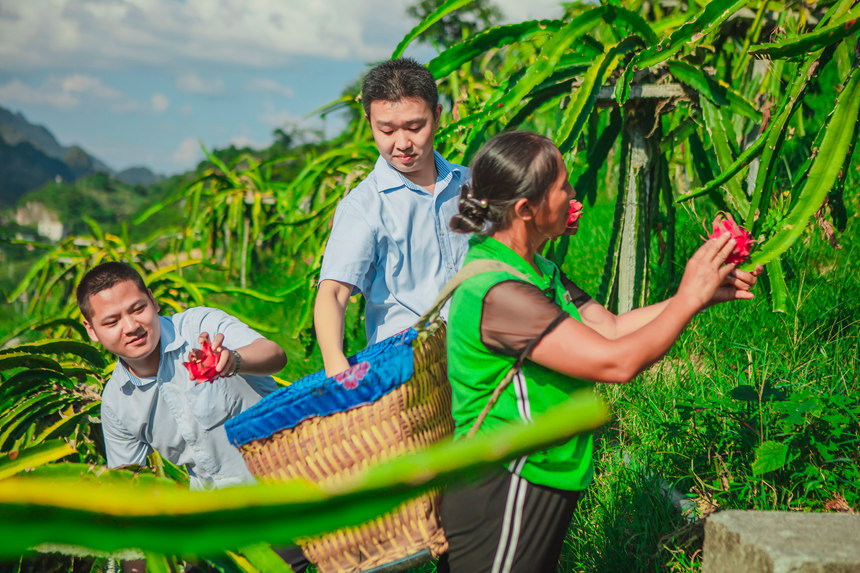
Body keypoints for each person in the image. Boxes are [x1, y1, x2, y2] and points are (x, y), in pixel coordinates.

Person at [437, 131, 763, 573]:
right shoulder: (499, 292)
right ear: (525, 209)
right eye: (562, 186)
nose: (573, 194)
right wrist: (687, 298)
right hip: (504, 485)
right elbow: (616, 362)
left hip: (537, 476)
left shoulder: (534, 270)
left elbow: (611, 328)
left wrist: (701, 295)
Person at [77, 262, 307, 572]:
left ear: (153, 301)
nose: (131, 326)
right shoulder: (117, 403)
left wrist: (235, 360)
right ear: (91, 330)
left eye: (138, 309)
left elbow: (274, 355)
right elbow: (132, 498)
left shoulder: (199, 327)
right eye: (112, 321)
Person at [314, 57, 469, 376]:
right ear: (369, 121)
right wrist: (336, 369)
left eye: (415, 127)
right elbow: (333, 292)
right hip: (408, 371)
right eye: (386, 130)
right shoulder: (364, 207)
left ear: (437, 116)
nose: (402, 144)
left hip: (481, 358)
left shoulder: (472, 184)